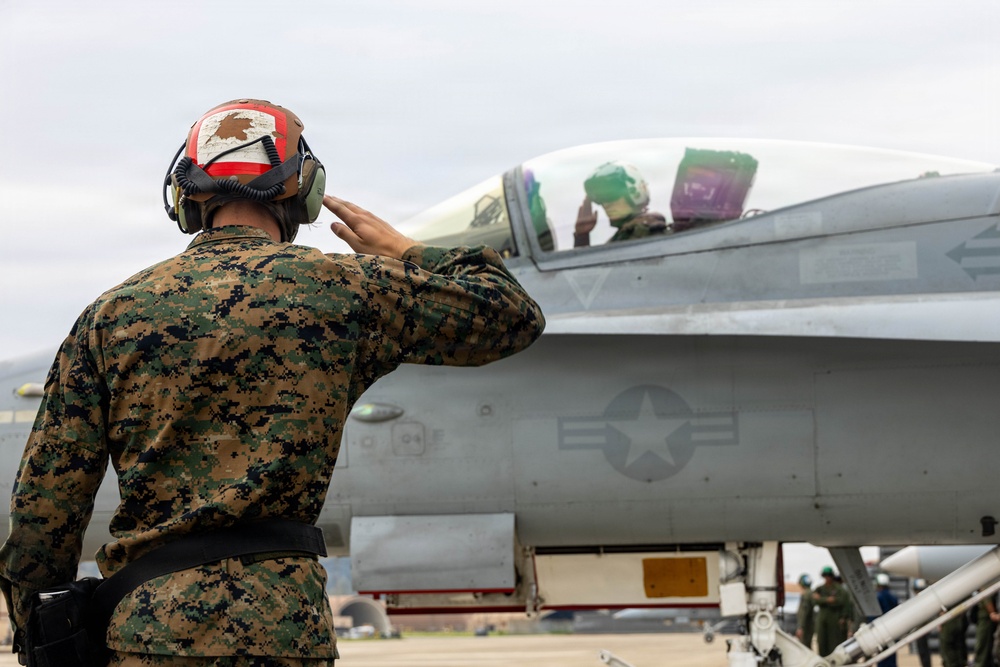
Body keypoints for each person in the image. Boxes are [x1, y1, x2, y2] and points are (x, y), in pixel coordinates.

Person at [0, 99, 546, 666]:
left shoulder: (111, 315)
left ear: (187, 195)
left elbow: (44, 509)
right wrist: (405, 252)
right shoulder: (344, 289)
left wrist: (44, 634)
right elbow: (511, 316)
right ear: (303, 191)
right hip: (288, 634)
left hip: (149, 634)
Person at [573, 161, 667, 247]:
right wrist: (582, 236)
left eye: (611, 195)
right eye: (601, 198)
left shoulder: (652, 233)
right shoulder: (622, 238)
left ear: (634, 191)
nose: (606, 204)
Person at [814, 566, 849, 656]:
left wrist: (822, 599)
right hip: (822, 618)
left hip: (834, 618)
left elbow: (841, 601)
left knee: (833, 642)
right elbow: (815, 600)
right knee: (821, 641)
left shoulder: (839, 589)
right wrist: (827, 600)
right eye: (825, 576)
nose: (827, 578)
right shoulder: (820, 588)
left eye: (829, 576)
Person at [875, 574, 900, 667]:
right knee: (891, 657)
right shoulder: (893, 597)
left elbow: (874, 616)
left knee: (882, 658)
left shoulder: (878, 597)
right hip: (892, 631)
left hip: (880, 632)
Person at [972, 591, 998, 667]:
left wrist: (992, 613)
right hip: (985, 618)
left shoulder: (984, 586)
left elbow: (986, 598)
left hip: (986, 619)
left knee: (982, 646)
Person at [795, 573, 816, 649]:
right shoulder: (811, 593)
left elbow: (804, 612)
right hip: (810, 625)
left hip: (806, 626)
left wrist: (800, 627)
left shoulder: (806, 594)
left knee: (804, 646)